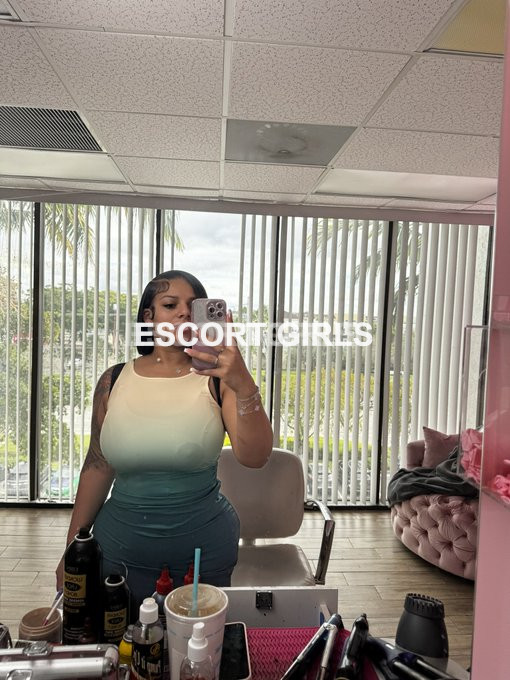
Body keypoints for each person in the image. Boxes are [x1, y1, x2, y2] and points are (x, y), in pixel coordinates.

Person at [56, 270, 273, 610]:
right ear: (149, 316)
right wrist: (72, 551)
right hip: (118, 550)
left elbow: (255, 456)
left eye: (193, 306)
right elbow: (97, 467)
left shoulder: (219, 380)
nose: (183, 312)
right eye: (170, 305)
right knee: (118, 638)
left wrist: (243, 381)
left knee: (199, 641)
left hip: (204, 553)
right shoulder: (114, 379)